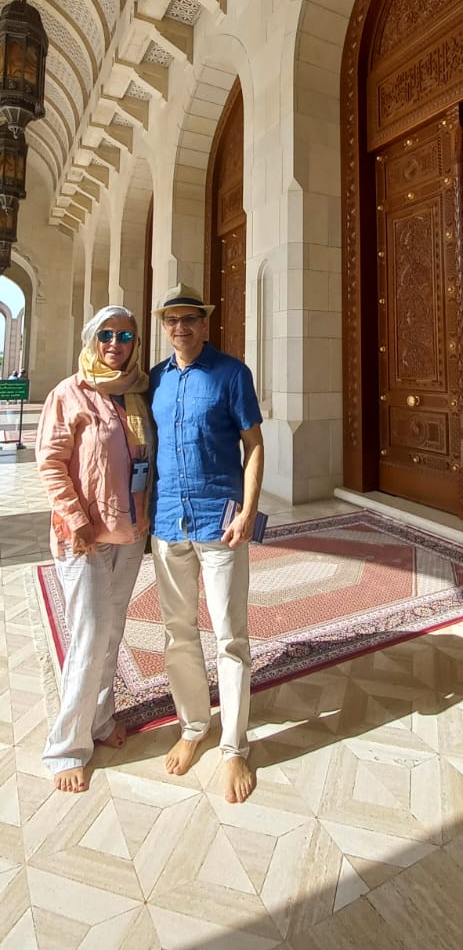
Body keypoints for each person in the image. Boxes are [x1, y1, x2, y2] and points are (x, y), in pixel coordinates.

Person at [149, 283, 264, 804]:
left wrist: (249, 509)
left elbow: (254, 445)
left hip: (219, 523)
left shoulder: (231, 374)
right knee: (178, 631)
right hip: (168, 522)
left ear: (204, 322)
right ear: (164, 326)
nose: (180, 328)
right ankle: (194, 725)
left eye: (189, 319)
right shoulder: (153, 380)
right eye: (172, 320)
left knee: (229, 636)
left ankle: (235, 746)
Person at [35, 306, 155, 793]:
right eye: (105, 334)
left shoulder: (135, 393)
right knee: (88, 634)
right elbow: (50, 464)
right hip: (83, 537)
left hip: (129, 532)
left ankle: (99, 720)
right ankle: (66, 746)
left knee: (112, 629)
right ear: (92, 339)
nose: (115, 343)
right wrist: (79, 521)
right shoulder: (70, 393)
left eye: (125, 335)